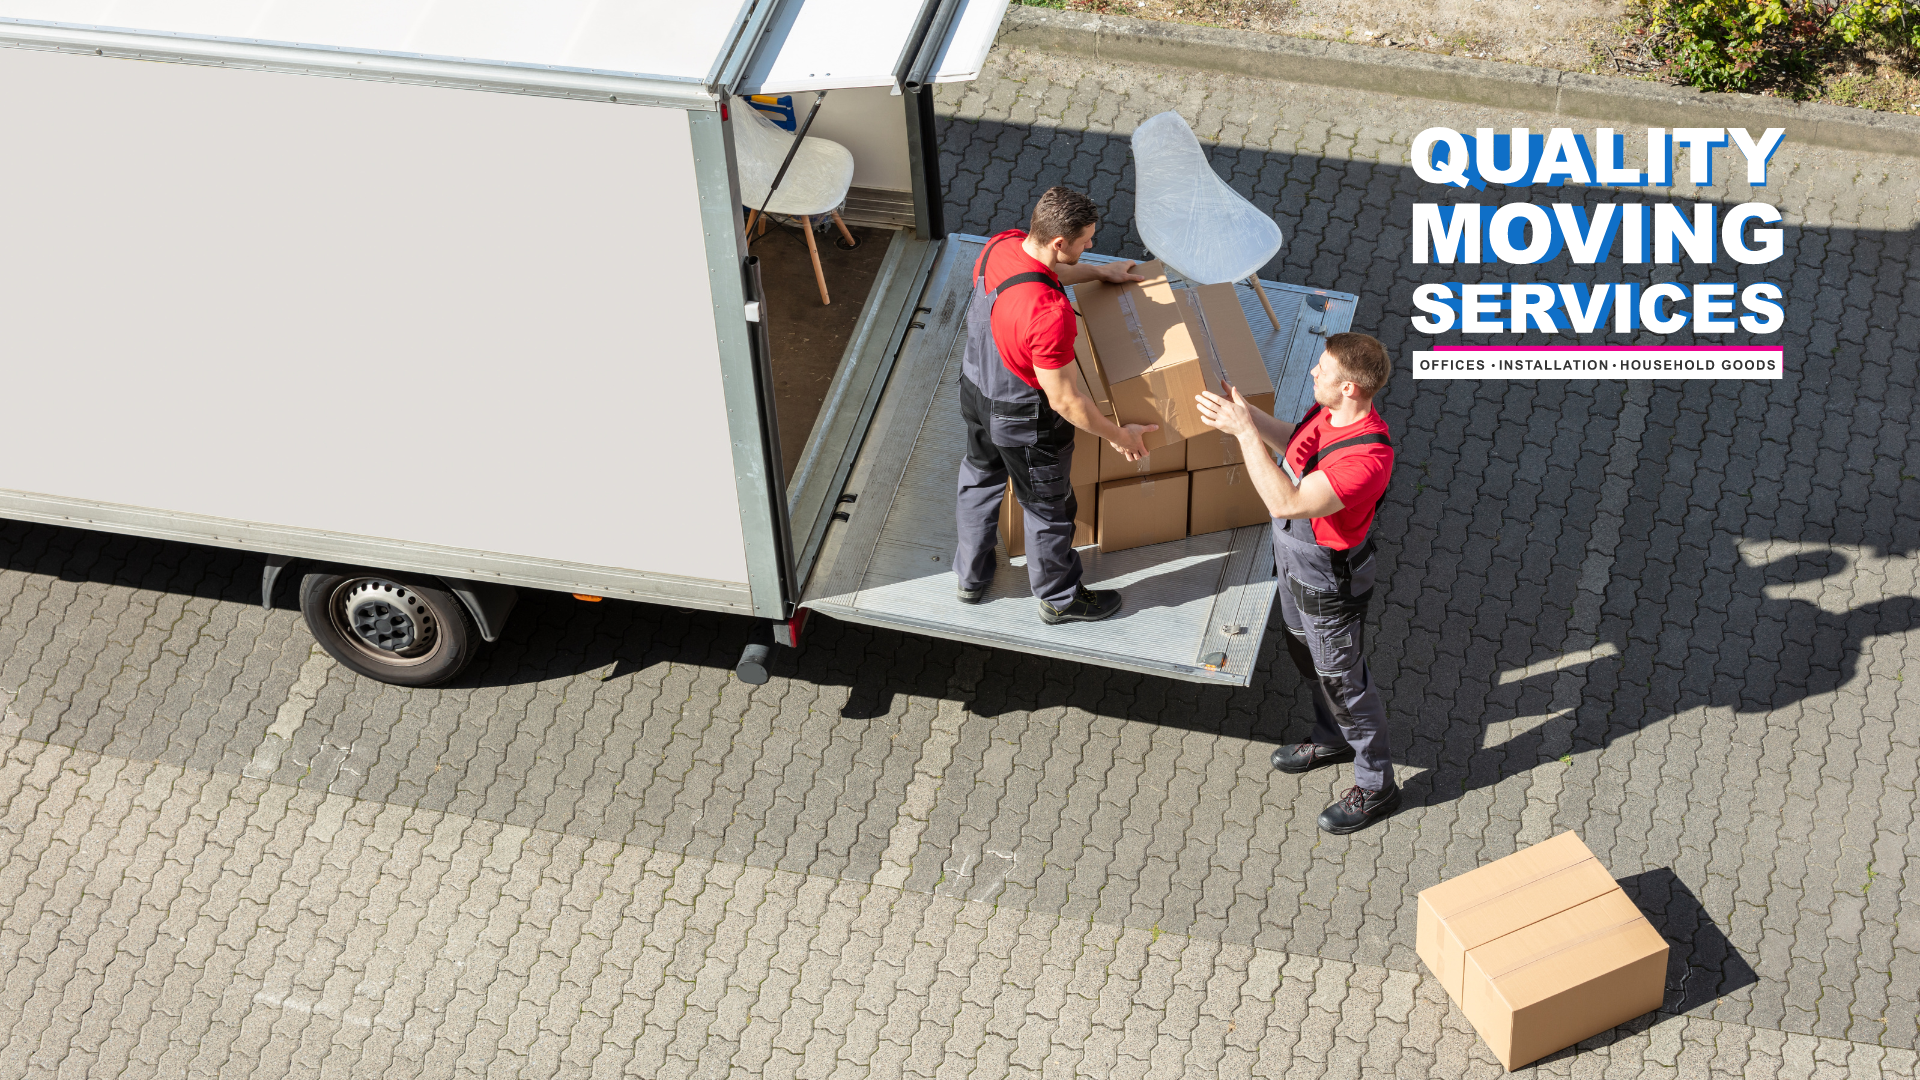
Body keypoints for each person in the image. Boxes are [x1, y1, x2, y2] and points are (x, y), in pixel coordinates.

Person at [1195, 333, 1399, 834]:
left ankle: (1377, 785)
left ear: (1350, 387)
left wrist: (1244, 435)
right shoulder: (1327, 413)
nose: (1313, 372)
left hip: (1326, 581)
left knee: (1344, 683)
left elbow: (1286, 501)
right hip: (1293, 563)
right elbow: (1296, 449)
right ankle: (1331, 737)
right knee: (1304, 655)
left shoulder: (1366, 459)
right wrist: (1248, 415)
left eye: (1323, 369)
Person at [953, 187, 1158, 623]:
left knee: (980, 477)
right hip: (1023, 420)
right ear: (1059, 242)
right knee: (1048, 508)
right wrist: (1119, 435)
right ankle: (1059, 598)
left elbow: (1038, 274)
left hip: (975, 389)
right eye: (1086, 241)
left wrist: (1100, 273)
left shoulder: (1001, 246)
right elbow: (1065, 400)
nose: (1091, 246)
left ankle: (970, 578)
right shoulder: (1049, 315)